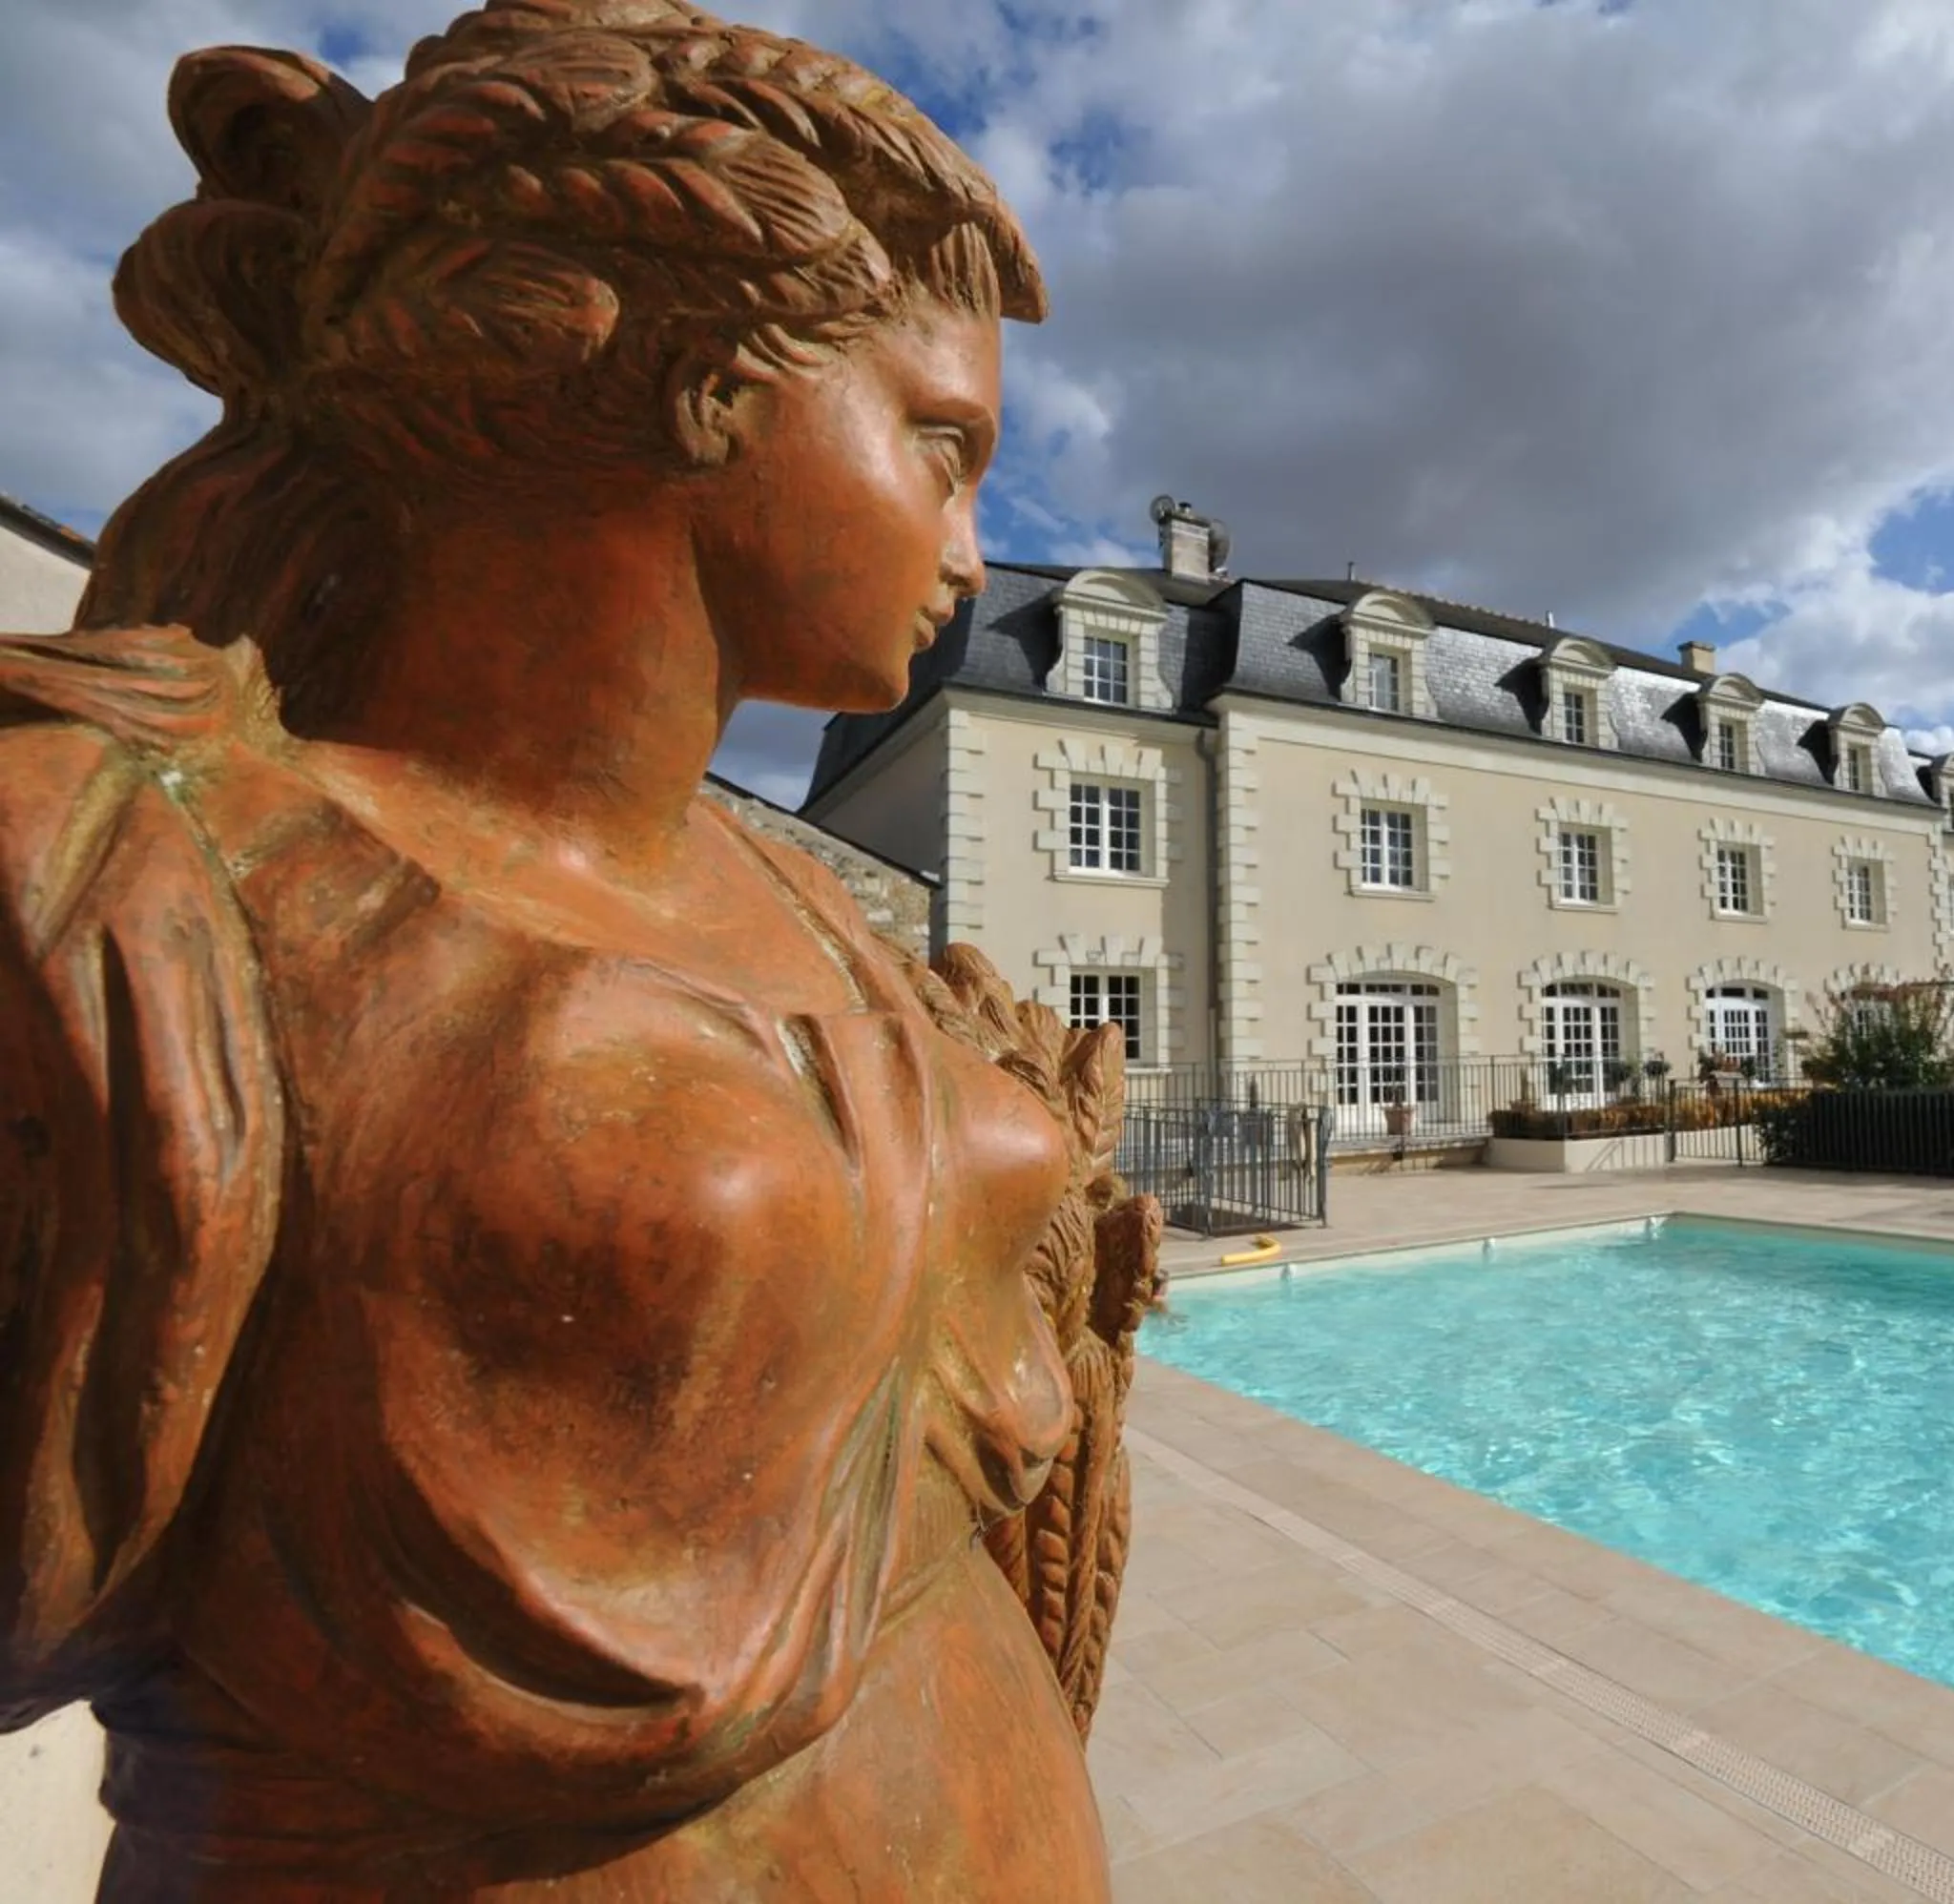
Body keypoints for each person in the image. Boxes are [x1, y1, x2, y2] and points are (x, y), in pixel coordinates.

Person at [0, 3, 1131, 1895]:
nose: (974, 545)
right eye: (940, 446)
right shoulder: (137, 892)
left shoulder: (809, 909)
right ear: (705, 381)